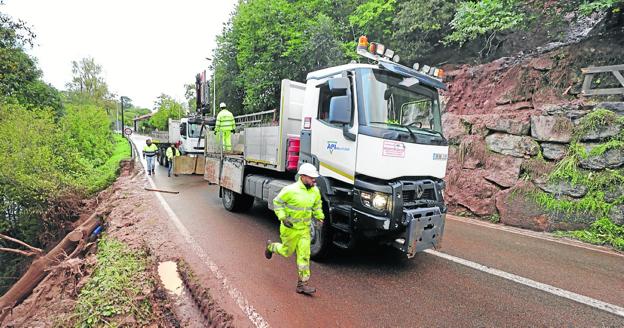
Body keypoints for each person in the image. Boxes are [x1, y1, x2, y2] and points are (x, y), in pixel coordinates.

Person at [265, 163, 324, 295]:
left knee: (304, 256)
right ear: (303, 177)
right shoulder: (290, 190)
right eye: (311, 177)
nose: (314, 180)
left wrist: (320, 217)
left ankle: (302, 284)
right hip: (289, 229)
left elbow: (317, 205)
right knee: (286, 251)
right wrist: (283, 217)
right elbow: (277, 202)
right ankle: (271, 247)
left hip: (304, 230)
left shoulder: (315, 190)